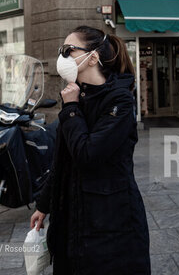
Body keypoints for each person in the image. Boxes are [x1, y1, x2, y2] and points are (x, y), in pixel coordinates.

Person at [30, 26, 151, 274]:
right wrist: (43, 205)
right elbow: (63, 159)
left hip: (111, 222)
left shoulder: (120, 100)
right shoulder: (76, 95)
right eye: (60, 50)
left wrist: (71, 108)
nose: (61, 57)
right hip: (72, 218)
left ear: (93, 57)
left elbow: (88, 154)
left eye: (68, 50)